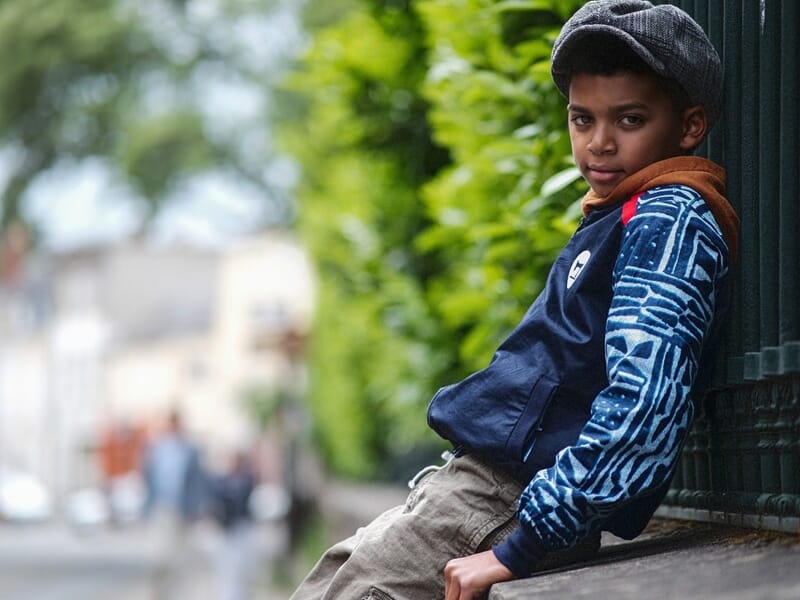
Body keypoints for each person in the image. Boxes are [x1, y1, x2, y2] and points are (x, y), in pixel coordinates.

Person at [291, 2, 740, 599]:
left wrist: (520, 545)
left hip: (507, 500)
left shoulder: (669, 215)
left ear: (688, 126)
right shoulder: (625, 211)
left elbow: (645, 404)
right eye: (582, 120)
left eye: (629, 120)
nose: (599, 143)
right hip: (477, 490)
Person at [209, 451, 257, 600]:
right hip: (225, 530)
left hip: (240, 529)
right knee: (225, 567)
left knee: (240, 568)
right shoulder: (220, 481)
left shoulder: (246, 481)